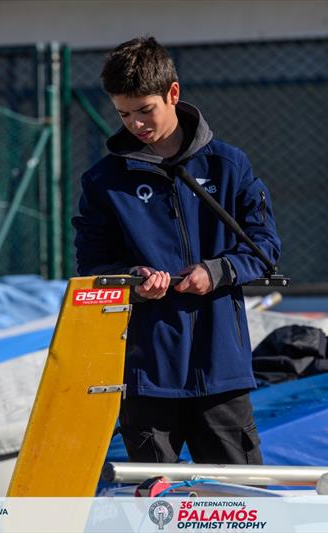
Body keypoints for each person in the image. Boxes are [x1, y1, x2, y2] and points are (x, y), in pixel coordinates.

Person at [71, 36, 281, 465]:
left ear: (173, 94)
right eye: (123, 114)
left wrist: (216, 271)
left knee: (240, 506)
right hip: (146, 375)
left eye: (145, 110)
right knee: (155, 504)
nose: (135, 124)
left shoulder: (228, 165)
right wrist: (134, 282)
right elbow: (92, 267)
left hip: (222, 370)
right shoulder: (103, 182)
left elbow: (264, 248)